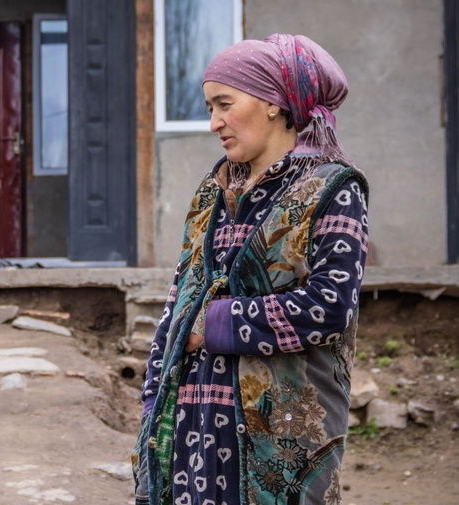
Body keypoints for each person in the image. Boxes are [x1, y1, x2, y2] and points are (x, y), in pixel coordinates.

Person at [133, 34, 369, 505]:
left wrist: (215, 324)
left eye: (225, 104)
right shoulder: (211, 193)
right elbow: (177, 302)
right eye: (209, 108)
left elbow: (329, 306)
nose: (214, 123)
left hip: (280, 435)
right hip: (192, 422)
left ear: (273, 103)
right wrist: (152, 403)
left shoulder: (333, 190)